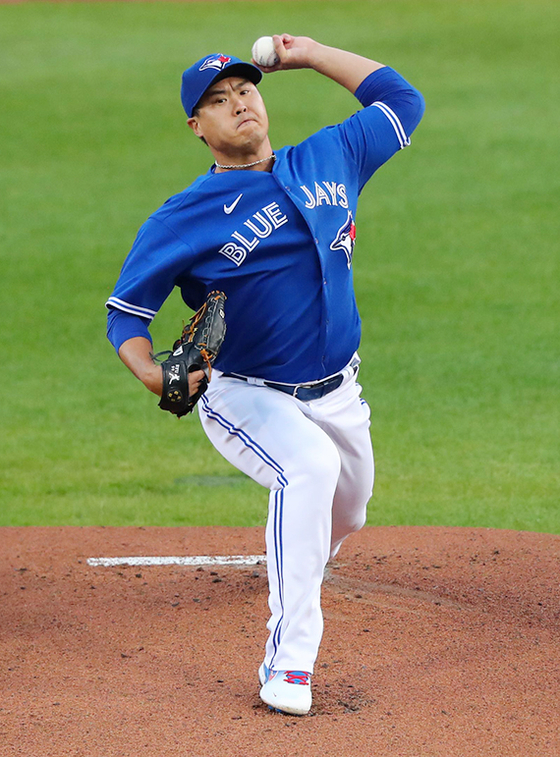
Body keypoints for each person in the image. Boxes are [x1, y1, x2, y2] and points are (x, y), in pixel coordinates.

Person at [106, 34, 425, 716]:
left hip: (341, 388)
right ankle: (290, 661)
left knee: (350, 508)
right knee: (306, 467)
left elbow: (402, 100)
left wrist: (309, 53)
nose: (239, 105)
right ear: (199, 128)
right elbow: (126, 315)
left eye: (246, 90)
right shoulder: (184, 217)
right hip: (246, 394)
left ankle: (299, 555)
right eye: (218, 102)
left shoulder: (331, 155)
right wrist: (148, 372)